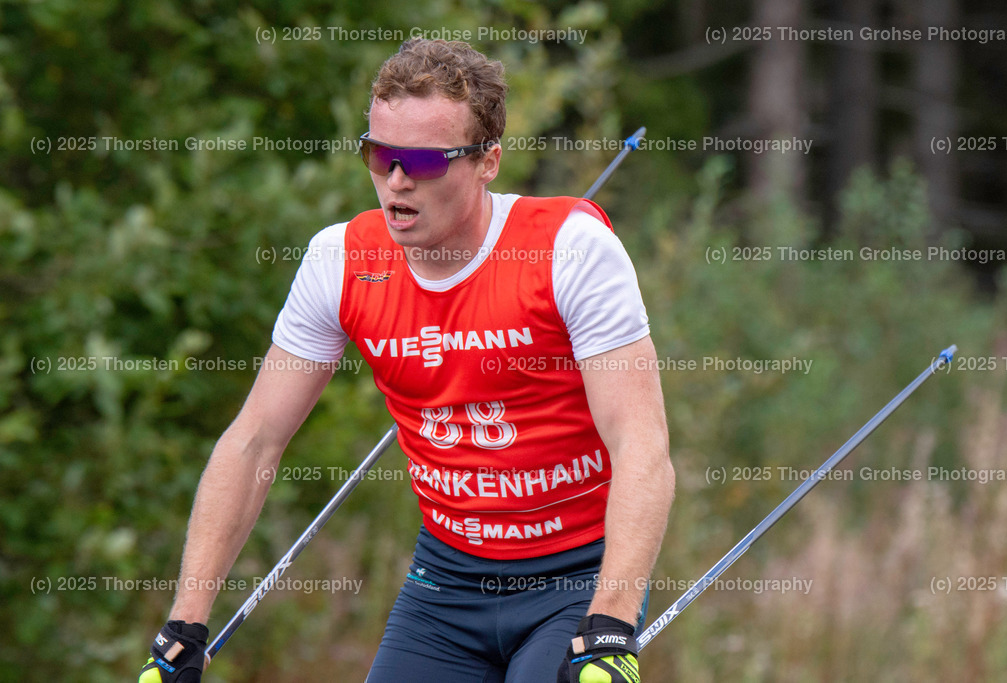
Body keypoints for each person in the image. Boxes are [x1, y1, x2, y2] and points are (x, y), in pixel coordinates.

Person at [139, 38, 674, 683]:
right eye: (379, 154)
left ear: (488, 163)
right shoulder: (340, 261)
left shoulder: (571, 250)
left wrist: (611, 622)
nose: (395, 181)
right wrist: (184, 625)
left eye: (422, 161)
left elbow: (641, 446)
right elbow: (254, 442)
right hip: (447, 583)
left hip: (577, 576)